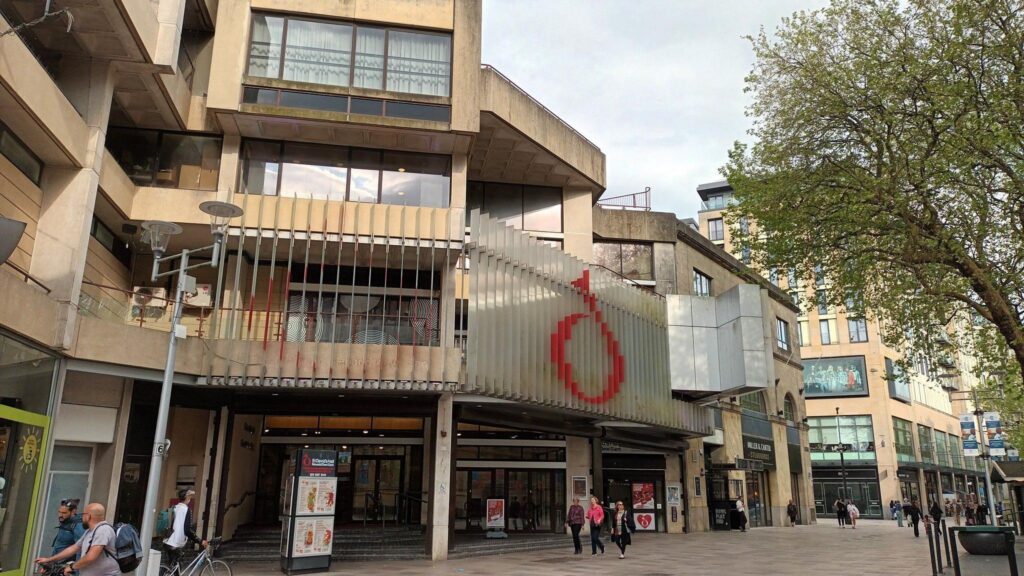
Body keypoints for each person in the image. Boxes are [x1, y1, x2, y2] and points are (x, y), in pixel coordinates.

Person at [35, 503, 120, 576]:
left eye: (83, 514)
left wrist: (72, 567)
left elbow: (91, 557)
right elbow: (74, 548)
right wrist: (49, 560)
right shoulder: (90, 531)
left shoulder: (103, 530)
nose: (81, 517)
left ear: (88, 516)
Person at [164, 489, 207, 570]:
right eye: (190, 496)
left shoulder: (174, 507)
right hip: (177, 543)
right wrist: (200, 541)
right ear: (186, 497)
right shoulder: (187, 510)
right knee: (175, 568)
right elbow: (187, 530)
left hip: (168, 541)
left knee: (173, 568)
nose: (190, 499)